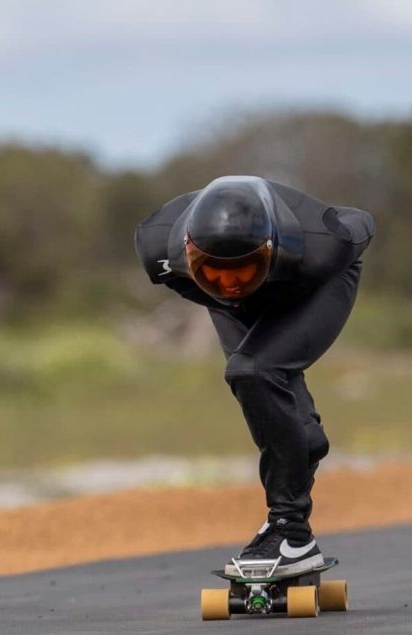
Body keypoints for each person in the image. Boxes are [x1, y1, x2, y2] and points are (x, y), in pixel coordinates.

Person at [134, 175, 374, 576]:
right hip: (234, 302)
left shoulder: (326, 246)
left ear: (270, 251)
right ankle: (302, 454)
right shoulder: (156, 247)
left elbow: (362, 220)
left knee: (254, 369)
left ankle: (292, 533)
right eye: (214, 270)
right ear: (189, 253)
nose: (229, 282)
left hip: (310, 286)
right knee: (260, 383)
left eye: (241, 270)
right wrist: (232, 289)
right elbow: (225, 287)